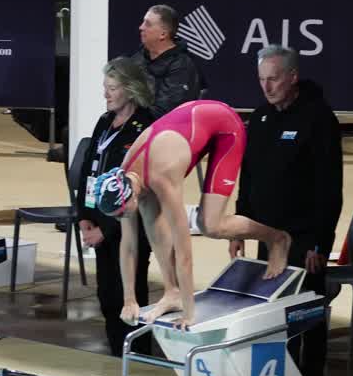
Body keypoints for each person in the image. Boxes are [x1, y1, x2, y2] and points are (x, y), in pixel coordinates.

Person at [93, 99, 292, 331]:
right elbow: (128, 246)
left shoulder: (161, 177)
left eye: (121, 212)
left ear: (130, 196)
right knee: (151, 219)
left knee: (209, 224)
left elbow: (184, 250)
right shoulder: (123, 177)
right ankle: (171, 291)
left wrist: (189, 312)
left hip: (223, 127)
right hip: (188, 124)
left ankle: (277, 238)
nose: (121, 218)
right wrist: (129, 299)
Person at [228, 46, 343, 376]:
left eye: (273, 78)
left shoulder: (318, 119)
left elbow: (329, 188)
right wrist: (239, 227)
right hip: (265, 235)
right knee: (272, 313)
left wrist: (320, 242)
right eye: (262, 80)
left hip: (303, 238)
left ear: (292, 77)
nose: (267, 86)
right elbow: (248, 177)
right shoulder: (261, 118)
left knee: (306, 313)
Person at [74, 58, 155, 357]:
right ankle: (115, 354)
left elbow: (136, 186)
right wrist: (83, 216)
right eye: (105, 88)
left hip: (127, 229)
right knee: (107, 296)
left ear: (130, 90)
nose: (106, 95)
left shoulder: (144, 126)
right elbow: (87, 171)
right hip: (97, 222)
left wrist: (105, 231)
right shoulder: (104, 122)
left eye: (112, 88)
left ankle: (139, 357)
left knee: (129, 296)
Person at [129, 4, 204, 119]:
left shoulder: (182, 66)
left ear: (163, 34)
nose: (141, 27)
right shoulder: (137, 57)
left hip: (163, 132)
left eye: (147, 24)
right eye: (143, 22)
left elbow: (165, 112)